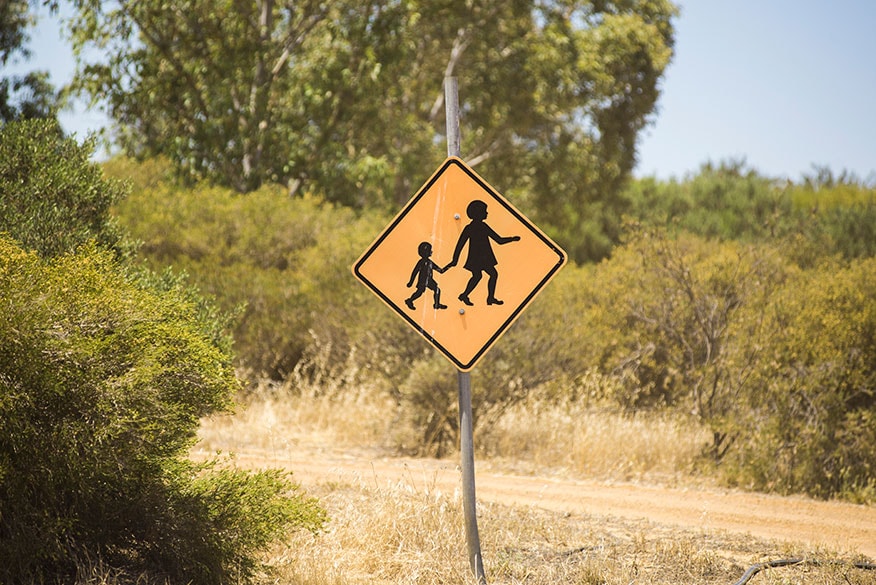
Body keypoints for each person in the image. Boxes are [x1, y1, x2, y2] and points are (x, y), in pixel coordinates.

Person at [444, 199, 519, 306]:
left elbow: (499, 240)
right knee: (486, 275)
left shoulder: (482, 226)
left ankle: (480, 297)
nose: (487, 213)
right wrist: (454, 260)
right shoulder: (471, 228)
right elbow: (460, 244)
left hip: (483, 257)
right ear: (478, 213)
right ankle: (472, 296)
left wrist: (512, 239)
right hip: (478, 258)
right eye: (484, 211)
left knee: (485, 275)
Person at [405, 241, 447, 310]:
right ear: (425, 252)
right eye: (429, 250)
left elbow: (440, 271)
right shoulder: (421, 262)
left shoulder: (430, 262)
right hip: (423, 280)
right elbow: (415, 272)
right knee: (419, 293)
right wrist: (411, 282)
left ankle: (437, 304)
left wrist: (449, 265)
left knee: (437, 289)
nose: (431, 251)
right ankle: (409, 300)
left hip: (429, 280)